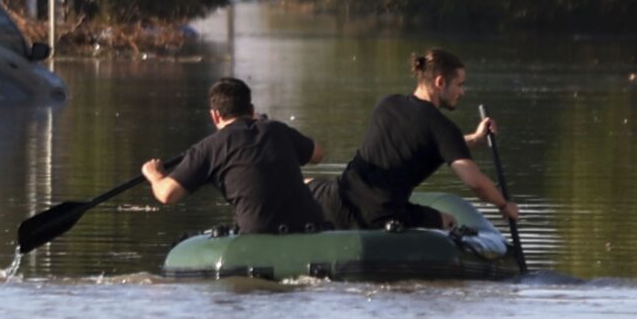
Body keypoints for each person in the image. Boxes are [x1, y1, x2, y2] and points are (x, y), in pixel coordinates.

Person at [319, 48, 520, 233]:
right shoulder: (441, 127)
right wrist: (503, 205)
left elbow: (424, 142)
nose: (462, 92)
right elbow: (474, 182)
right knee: (449, 221)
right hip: (381, 215)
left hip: (338, 201)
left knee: (310, 183)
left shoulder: (387, 104)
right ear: (440, 82)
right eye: (459, 85)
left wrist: (475, 139)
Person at [142, 77, 328, 235]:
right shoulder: (277, 129)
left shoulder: (209, 147)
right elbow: (318, 154)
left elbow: (167, 194)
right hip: (309, 228)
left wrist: (155, 175)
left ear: (214, 116)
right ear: (252, 109)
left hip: (258, 234)